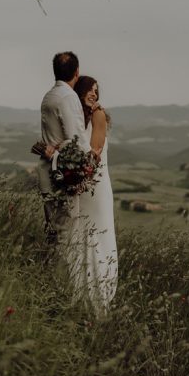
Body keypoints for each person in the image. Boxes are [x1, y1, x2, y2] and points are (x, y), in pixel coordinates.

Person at [68, 75, 118, 314]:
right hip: (82, 186)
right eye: (90, 89)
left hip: (95, 186)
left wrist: (81, 179)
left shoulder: (98, 116)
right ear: (80, 91)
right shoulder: (77, 119)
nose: (94, 94)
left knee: (98, 237)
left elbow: (94, 156)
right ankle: (80, 291)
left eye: (97, 91)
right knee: (81, 235)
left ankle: (100, 299)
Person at [35, 52, 90, 245]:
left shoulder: (49, 96)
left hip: (47, 172)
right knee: (65, 234)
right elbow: (77, 141)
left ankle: (49, 272)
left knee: (53, 232)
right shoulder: (68, 97)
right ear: (77, 72)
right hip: (62, 174)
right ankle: (60, 275)